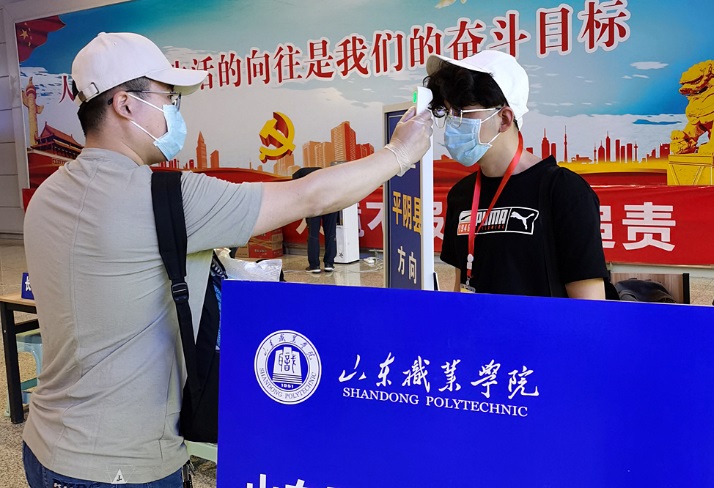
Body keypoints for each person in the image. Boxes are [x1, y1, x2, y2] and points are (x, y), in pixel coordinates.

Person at [22, 32, 431, 487]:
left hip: (43, 444)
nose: (175, 111)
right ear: (125, 105)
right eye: (169, 98)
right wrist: (400, 153)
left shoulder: (47, 194)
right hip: (122, 464)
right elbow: (311, 195)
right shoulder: (166, 198)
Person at [424, 50, 607, 298]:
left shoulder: (563, 190)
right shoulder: (461, 194)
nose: (453, 124)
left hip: (542, 325)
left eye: (463, 113)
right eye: (449, 113)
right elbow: (461, 284)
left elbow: (589, 306)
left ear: (504, 118)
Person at [292, 166, 338, 273]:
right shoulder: (324, 173)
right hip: (332, 201)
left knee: (313, 235)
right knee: (331, 234)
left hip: (314, 203)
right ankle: (329, 263)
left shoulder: (300, 176)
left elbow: (298, 192)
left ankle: (314, 265)